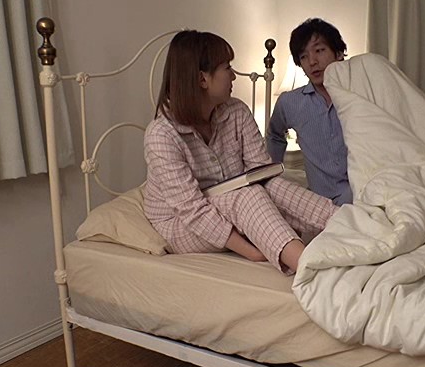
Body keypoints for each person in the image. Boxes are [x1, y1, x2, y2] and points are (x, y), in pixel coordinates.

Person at [143, 30, 337, 273]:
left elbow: (262, 173)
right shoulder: (161, 135)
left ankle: (349, 224)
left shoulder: (236, 111)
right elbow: (193, 210)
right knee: (248, 196)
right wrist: (252, 251)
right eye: (227, 67)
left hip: (227, 201)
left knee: (272, 186)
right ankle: (312, 269)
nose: (233, 75)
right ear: (203, 79)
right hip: (180, 222)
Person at [266, 19, 352, 206]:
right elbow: (274, 135)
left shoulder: (358, 96)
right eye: (304, 56)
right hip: (321, 203)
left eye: (319, 51)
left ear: (338, 53)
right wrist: (272, 175)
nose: (312, 62)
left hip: (361, 194)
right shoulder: (290, 102)